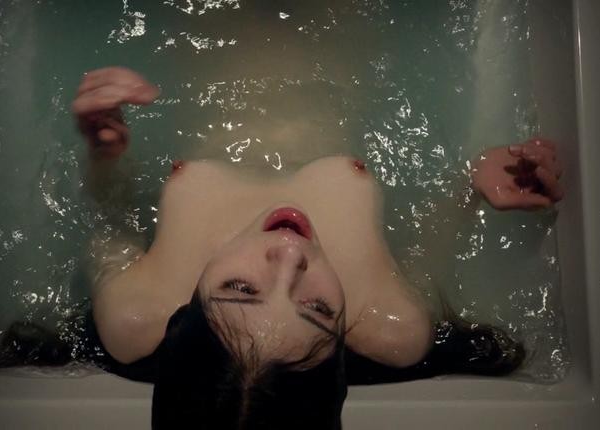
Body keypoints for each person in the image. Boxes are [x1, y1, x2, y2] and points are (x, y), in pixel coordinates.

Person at [68, 66, 563, 427]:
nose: (291, 254)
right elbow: (418, 259)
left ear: (184, 314)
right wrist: (470, 187)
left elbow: (105, 216)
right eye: (319, 309)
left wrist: (103, 150)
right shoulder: (390, 323)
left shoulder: (137, 315)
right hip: (351, 61)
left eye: (241, 288)